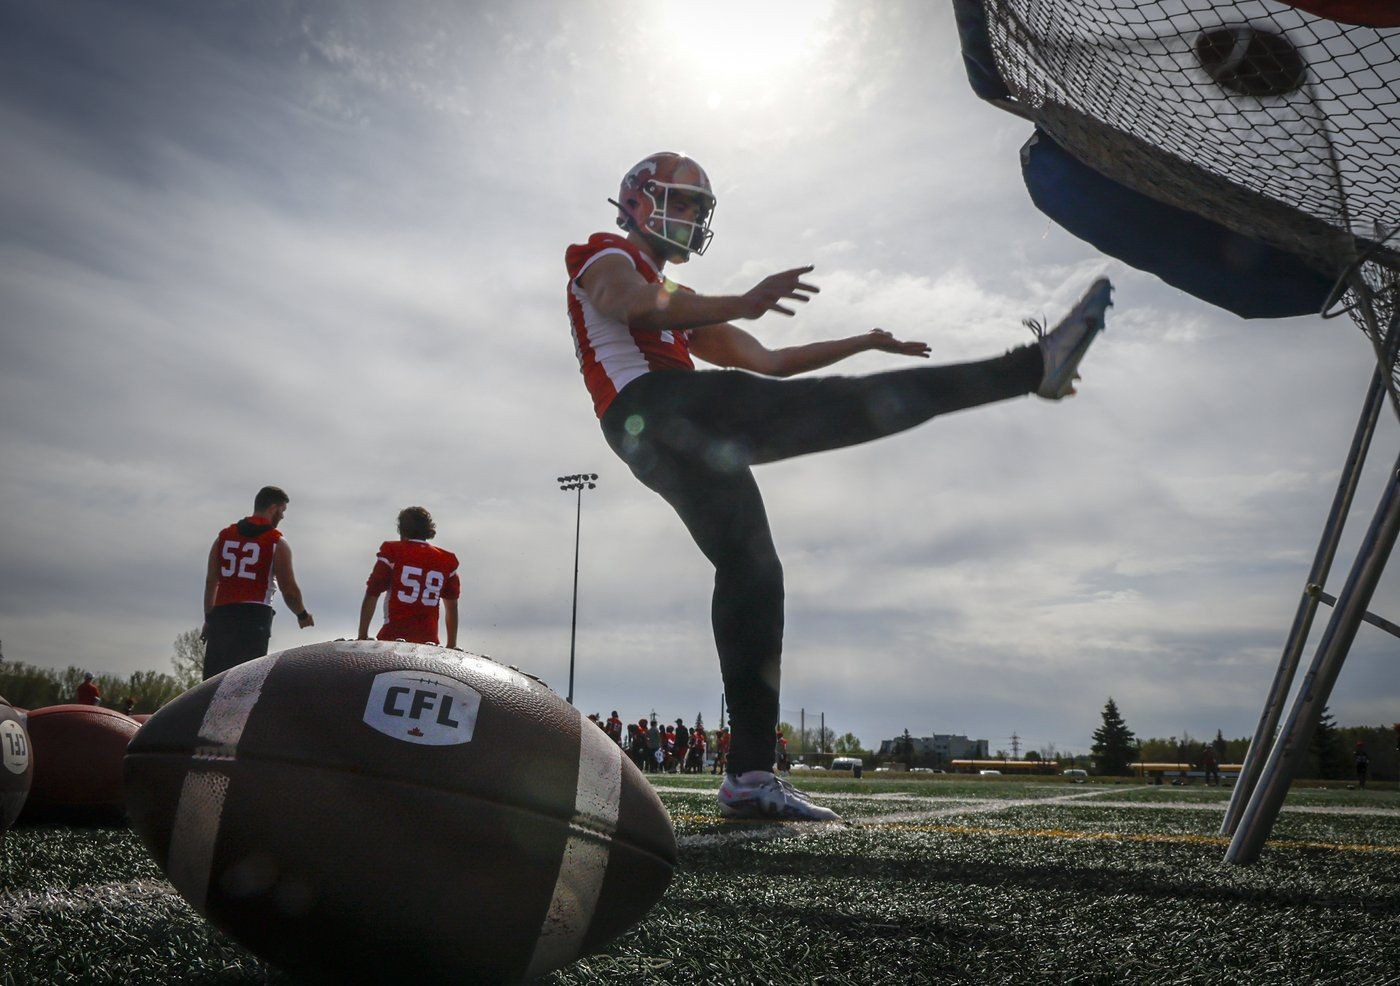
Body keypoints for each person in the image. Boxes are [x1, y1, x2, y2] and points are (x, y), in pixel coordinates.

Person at [565, 153, 1113, 821]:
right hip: (652, 407)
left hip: (667, 431)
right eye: (678, 202)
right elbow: (623, 301)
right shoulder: (605, 253)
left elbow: (772, 361)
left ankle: (749, 776)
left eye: (696, 209)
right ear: (639, 200)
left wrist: (863, 341)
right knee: (845, 413)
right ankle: (1028, 369)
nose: (688, 218)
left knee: (754, 570)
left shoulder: (677, 302)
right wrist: (745, 300)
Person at [203, 486, 314, 680]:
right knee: (244, 683)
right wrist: (302, 614)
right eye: (282, 511)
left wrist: (209, 619)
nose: (283, 516)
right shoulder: (277, 543)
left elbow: (211, 582)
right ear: (273, 508)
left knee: (213, 683)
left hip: (222, 617)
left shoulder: (223, 538)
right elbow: (289, 590)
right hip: (253, 620)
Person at [357, 506, 460, 648]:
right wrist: (451, 645)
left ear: (402, 529)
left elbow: (372, 593)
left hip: (392, 636)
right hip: (428, 641)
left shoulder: (393, 551)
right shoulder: (446, 559)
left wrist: (362, 635)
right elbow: (452, 607)